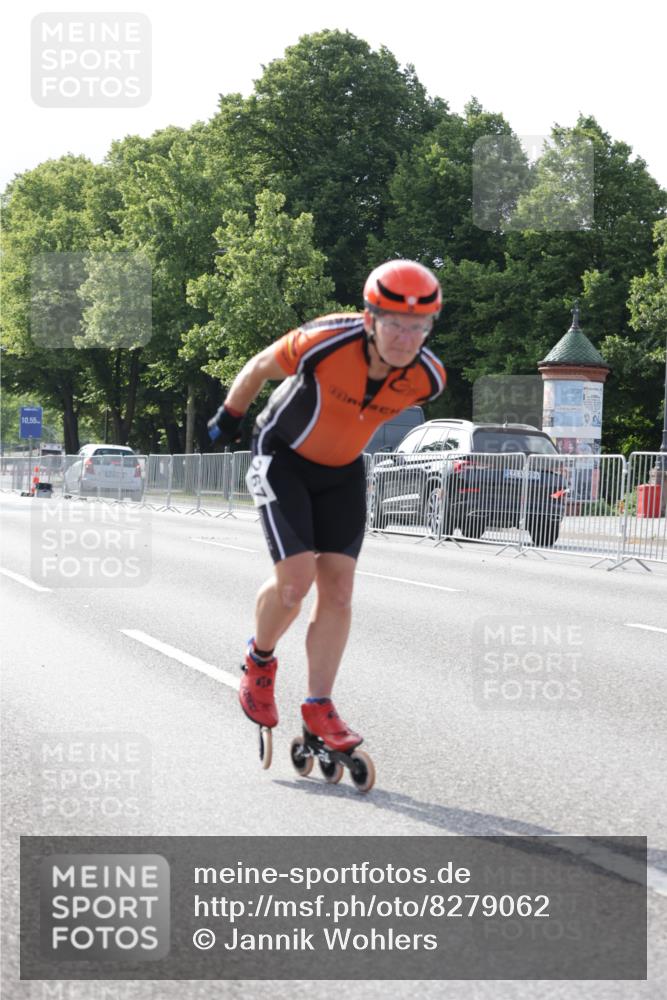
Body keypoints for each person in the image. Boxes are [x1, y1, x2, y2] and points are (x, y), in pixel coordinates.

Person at [208, 260, 446, 756]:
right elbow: (257, 367)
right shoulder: (322, 340)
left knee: (338, 593)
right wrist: (229, 416)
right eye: (396, 324)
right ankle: (259, 660)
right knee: (296, 582)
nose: (407, 338)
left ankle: (319, 704)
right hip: (282, 457)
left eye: (419, 327)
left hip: (342, 473)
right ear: (370, 319)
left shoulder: (428, 378)